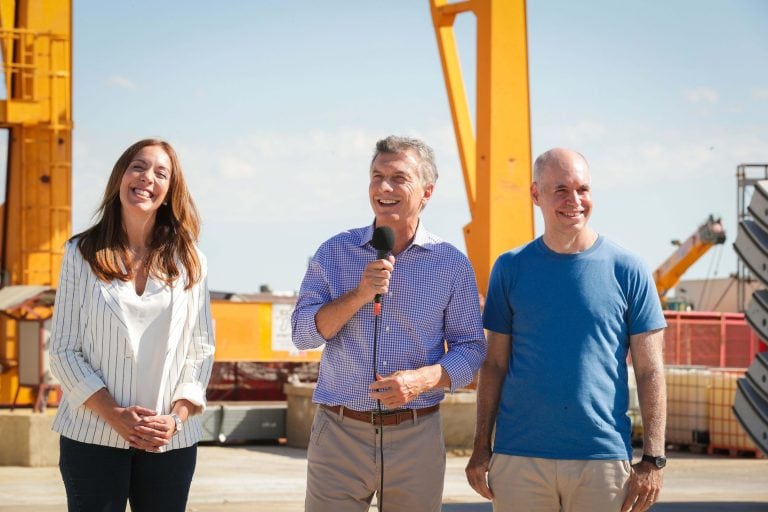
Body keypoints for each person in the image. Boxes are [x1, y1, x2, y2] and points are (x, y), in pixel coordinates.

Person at [466, 148, 667, 512]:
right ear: (535, 194)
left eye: (583, 189)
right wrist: (481, 449)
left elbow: (651, 369)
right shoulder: (510, 268)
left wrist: (653, 458)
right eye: (560, 190)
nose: (574, 200)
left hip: (602, 459)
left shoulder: (629, 269)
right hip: (519, 458)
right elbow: (493, 365)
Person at [291, 135, 486, 512]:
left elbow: (472, 348)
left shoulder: (452, 264)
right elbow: (302, 333)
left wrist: (423, 380)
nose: (384, 187)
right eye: (377, 176)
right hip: (339, 434)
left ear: (427, 192)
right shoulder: (334, 252)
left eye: (399, 178)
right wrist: (360, 294)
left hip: (417, 436)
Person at [49, 138, 215, 512]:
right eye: (138, 167)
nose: (147, 178)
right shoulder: (80, 254)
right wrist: (113, 414)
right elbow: (63, 349)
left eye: (161, 173)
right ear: (120, 177)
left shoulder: (192, 262)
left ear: (171, 191)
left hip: (167, 441)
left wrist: (176, 418)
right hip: (91, 436)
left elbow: (200, 350)